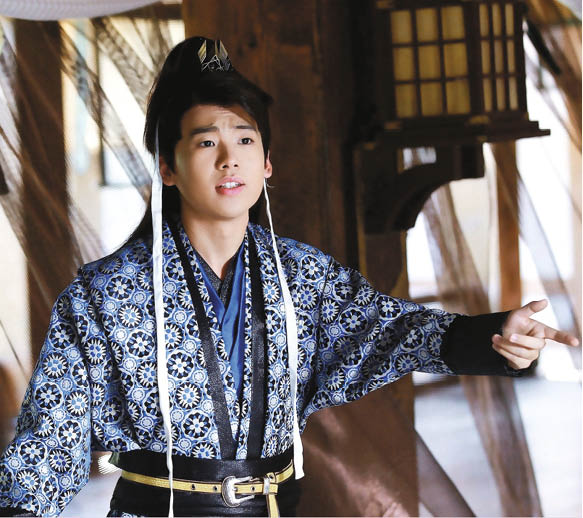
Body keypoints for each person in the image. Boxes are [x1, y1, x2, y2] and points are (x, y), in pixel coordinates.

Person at [0, 36, 578, 518]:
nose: (229, 159)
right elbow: (50, 440)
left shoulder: (302, 274)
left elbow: (388, 331)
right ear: (167, 167)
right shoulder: (104, 294)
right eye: (207, 142)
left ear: (267, 163)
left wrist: (491, 335)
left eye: (245, 140)